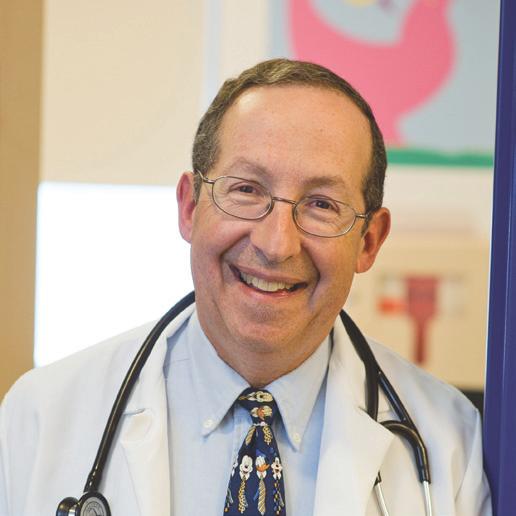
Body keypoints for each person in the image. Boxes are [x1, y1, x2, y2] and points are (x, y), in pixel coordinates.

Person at [0, 59, 491, 515]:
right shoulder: (40, 417)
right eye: (246, 190)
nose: (276, 245)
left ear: (369, 241)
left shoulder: (452, 443)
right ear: (190, 207)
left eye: (322, 204)